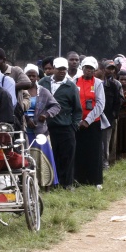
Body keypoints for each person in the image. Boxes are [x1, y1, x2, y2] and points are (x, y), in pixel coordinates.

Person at [38, 57, 82, 190]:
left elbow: (77, 109)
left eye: (64, 69)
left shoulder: (71, 86)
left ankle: (66, 183)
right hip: (47, 126)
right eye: (59, 69)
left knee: (67, 156)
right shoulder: (43, 82)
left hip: (65, 126)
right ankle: (51, 183)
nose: (62, 71)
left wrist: (73, 125)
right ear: (54, 69)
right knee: (50, 155)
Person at [23, 64, 61, 185]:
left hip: (40, 130)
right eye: (28, 75)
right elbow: (15, 107)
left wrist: (46, 115)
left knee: (43, 157)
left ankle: (45, 183)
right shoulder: (19, 91)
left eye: (34, 75)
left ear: (38, 77)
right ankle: (27, 183)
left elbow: (56, 106)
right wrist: (26, 118)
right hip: (24, 130)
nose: (31, 78)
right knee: (25, 156)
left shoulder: (43, 91)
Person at [74, 56, 107, 188]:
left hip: (93, 123)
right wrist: (78, 120)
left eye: (91, 68)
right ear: (82, 68)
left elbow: (100, 104)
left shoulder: (98, 83)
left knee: (94, 151)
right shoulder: (75, 81)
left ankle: (96, 180)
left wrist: (88, 120)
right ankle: (79, 179)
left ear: (95, 70)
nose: (88, 70)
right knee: (79, 151)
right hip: (77, 123)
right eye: (86, 67)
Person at [101, 60, 122, 169]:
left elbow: (119, 101)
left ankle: (106, 163)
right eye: (108, 68)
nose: (110, 70)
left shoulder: (116, 84)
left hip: (109, 117)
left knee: (108, 141)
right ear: (103, 69)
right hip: (96, 116)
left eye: (112, 68)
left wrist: (114, 114)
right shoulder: (98, 82)